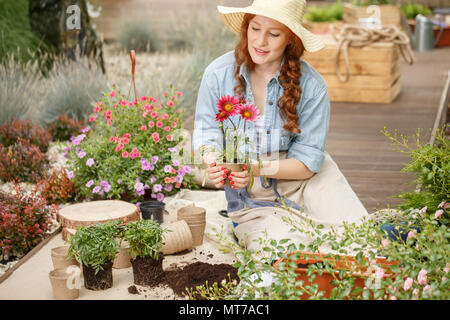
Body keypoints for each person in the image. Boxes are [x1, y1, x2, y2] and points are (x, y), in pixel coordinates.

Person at [192, 0, 369, 255]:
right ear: (246, 27)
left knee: (360, 241)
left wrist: (253, 166)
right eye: (255, 29)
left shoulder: (312, 86)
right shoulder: (218, 74)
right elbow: (206, 132)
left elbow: (307, 164)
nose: (260, 41)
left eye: (274, 34)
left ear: (291, 39)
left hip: (307, 180)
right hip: (254, 199)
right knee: (287, 254)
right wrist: (216, 161)